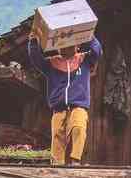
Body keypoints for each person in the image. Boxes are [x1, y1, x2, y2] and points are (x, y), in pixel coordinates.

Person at [27, 32, 102, 166]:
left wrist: (88, 34)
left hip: (78, 105)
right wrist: (33, 42)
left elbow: (97, 50)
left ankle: (75, 160)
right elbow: (36, 59)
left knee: (79, 127)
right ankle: (57, 165)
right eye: (63, 45)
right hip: (58, 108)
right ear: (58, 47)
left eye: (71, 44)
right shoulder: (52, 63)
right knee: (57, 136)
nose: (67, 47)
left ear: (78, 46)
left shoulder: (84, 60)